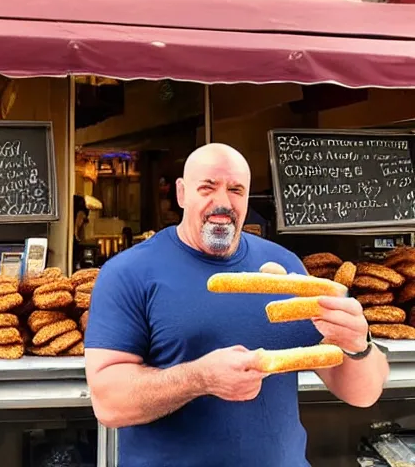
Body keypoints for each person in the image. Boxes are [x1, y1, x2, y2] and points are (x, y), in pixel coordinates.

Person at [84, 143, 389, 467]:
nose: (222, 202)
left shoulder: (285, 265)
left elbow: (363, 393)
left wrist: (358, 346)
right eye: (208, 188)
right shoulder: (129, 273)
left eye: (235, 190)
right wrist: (199, 378)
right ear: (182, 193)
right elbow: (108, 403)